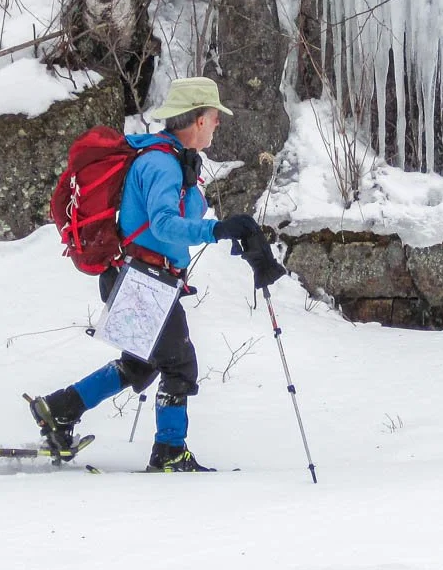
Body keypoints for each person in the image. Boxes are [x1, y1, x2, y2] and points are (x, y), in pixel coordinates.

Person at [28, 76, 272, 472]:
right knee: (178, 364)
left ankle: (59, 409)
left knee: (142, 363)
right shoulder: (161, 162)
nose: (217, 124)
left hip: (141, 276)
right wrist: (217, 230)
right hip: (140, 278)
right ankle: (169, 453)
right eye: (214, 116)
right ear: (196, 120)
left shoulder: (173, 159)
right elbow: (163, 225)